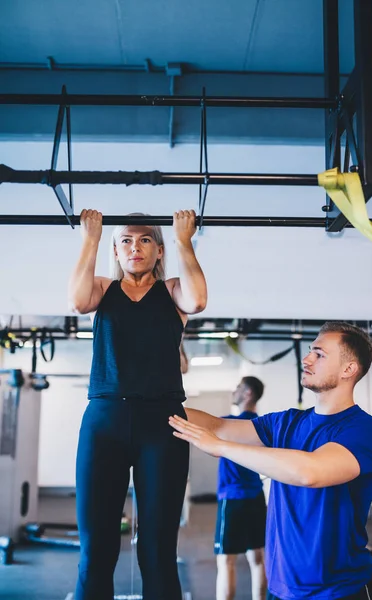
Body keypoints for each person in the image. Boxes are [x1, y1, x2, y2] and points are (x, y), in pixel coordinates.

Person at [169, 322, 372, 600]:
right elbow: (217, 426)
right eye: (310, 351)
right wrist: (155, 405)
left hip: (339, 591)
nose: (307, 359)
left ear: (348, 369)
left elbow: (311, 471)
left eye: (319, 354)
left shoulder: (362, 431)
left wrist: (222, 448)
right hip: (282, 590)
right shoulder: (286, 422)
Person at [68, 208, 207, 600]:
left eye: (145, 240)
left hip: (162, 424)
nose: (135, 247)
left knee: (158, 550)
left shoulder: (173, 292)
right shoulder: (102, 289)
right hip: (105, 420)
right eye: (126, 240)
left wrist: (184, 240)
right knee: (96, 551)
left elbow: (198, 300)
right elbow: (78, 302)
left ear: (158, 251)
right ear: (117, 250)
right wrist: (91, 240)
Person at [215, 376, 267, 600]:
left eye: (238, 388)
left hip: (233, 498)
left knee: (226, 561)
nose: (234, 391)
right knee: (257, 558)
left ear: (248, 393)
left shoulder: (230, 424)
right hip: (255, 496)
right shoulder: (262, 425)